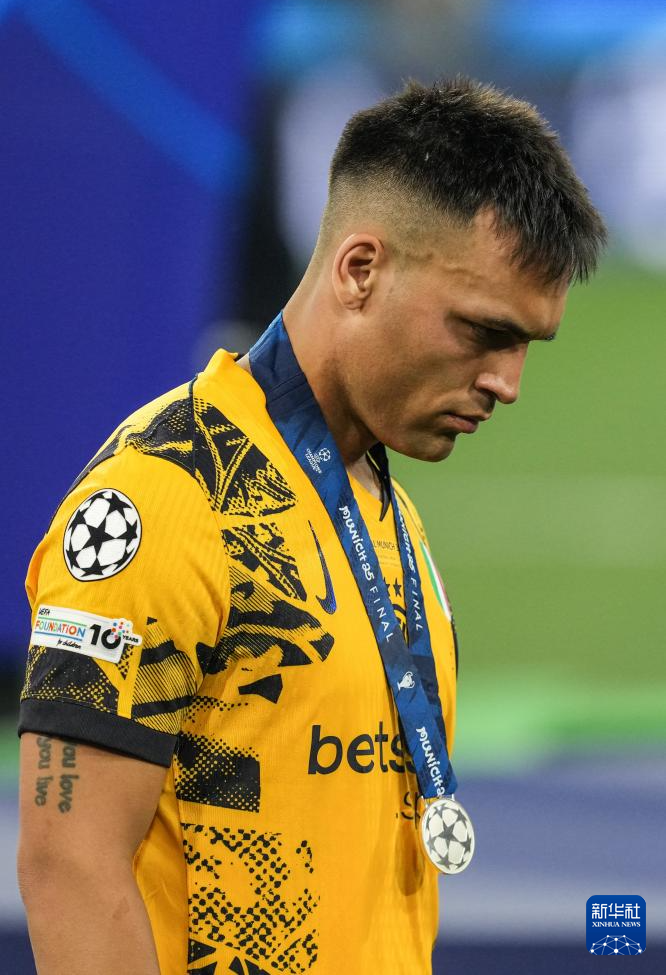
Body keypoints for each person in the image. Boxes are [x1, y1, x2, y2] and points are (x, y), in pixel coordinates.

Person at [17, 77, 606, 975]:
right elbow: (69, 866)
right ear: (360, 269)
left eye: (527, 344)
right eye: (483, 332)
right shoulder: (165, 495)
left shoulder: (386, 512)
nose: (507, 382)